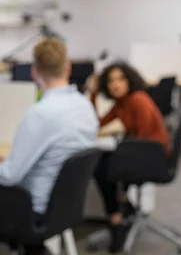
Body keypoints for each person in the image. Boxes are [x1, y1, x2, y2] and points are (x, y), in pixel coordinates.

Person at [0, 38, 98, 255]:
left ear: (35, 72)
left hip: (30, 209)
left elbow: (9, 177)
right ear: (68, 67)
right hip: (64, 207)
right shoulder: (86, 107)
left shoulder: (40, 114)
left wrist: (7, 165)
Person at [91, 62, 170, 253]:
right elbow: (97, 124)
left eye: (121, 79)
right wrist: (93, 94)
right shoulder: (121, 103)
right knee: (101, 162)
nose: (116, 84)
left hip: (153, 158)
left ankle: (117, 217)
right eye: (110, 81)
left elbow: (142, 139)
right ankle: (124, 208)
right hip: (139, 153)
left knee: (102, 166)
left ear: (130, 80)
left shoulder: (137, 99)